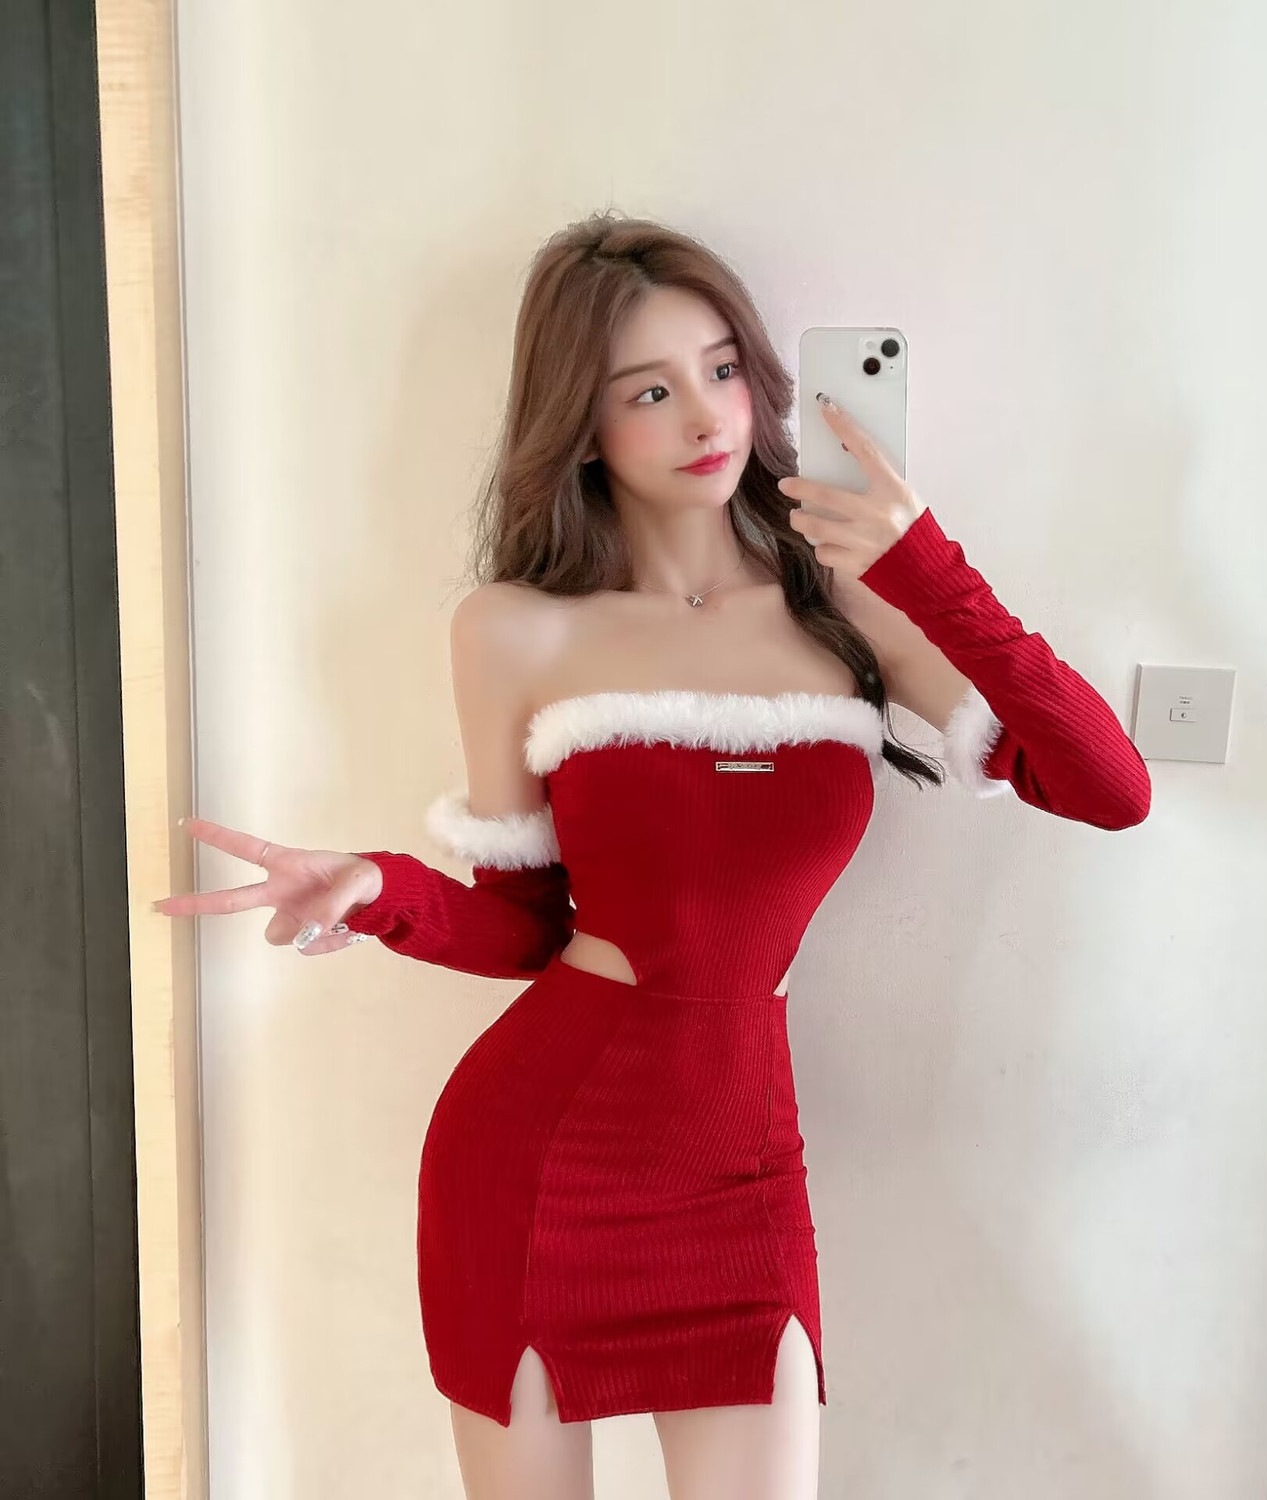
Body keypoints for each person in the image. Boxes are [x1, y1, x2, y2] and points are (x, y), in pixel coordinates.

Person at [152, 211, 1152, 1500]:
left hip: (744, 1169)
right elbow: (526, 928)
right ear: (582, 425)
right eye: (649, 390)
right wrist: (383, 890)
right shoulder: (517, 631)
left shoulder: (845, 612)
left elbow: (1109, 788)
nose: (706, 416)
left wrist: (926, 568)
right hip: (541, 1155)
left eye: (723, 368)